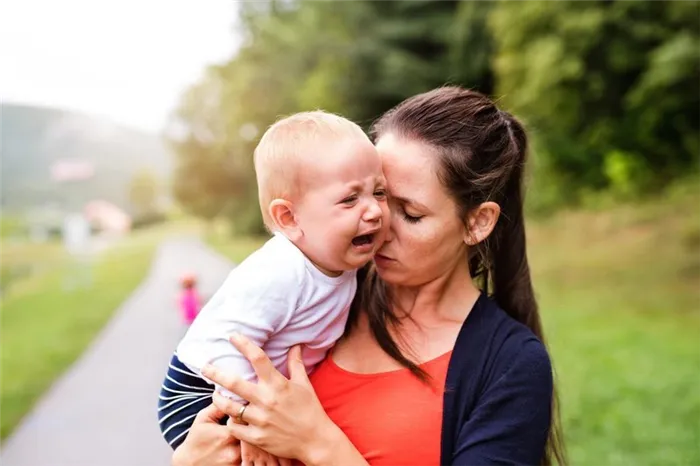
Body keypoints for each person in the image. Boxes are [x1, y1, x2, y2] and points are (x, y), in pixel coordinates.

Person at [170, 86, 566, 466]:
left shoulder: (510, 365)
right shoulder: (325, 295)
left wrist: (318, 443)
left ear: (478, 222)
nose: (378, 222)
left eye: (410, 212)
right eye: (375, 195)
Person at [158, 111, 390, 464]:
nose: (373, 210)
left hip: (250, 389)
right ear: (289, 218)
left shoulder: (344, 260)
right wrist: (246, 418)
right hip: (200, 389)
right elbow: (232, 347)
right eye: (349, 199)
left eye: (379, 192)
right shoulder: (280, 271)